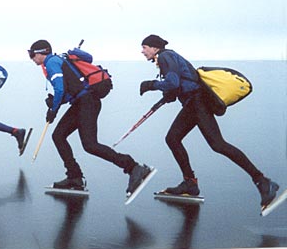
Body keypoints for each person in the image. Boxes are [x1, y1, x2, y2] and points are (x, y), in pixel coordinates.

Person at [139, 34, 279, 208]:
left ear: (154, 47)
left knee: (217, 144)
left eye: (144, 47)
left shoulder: (165, 56)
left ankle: (262, 181)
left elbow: (173, 82)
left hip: (197, 103)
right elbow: (179, 84)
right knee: (174, 139)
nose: (142, 51)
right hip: (194, 103)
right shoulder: (168, 57)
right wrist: (168, 95)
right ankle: (190, 183)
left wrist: (151, 85)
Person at [28, 40, 155, 199]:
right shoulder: (56, 61)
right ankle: (75, 177)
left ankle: (134, 167)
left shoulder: (51, 62)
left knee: (90, 145)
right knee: (58, 136)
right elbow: (70, 89)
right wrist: (55, 101)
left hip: (86, 103)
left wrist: (54, 109)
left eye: (32, 54)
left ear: (41, 53)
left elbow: (60, 88)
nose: (31, 58)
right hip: (84, 102)